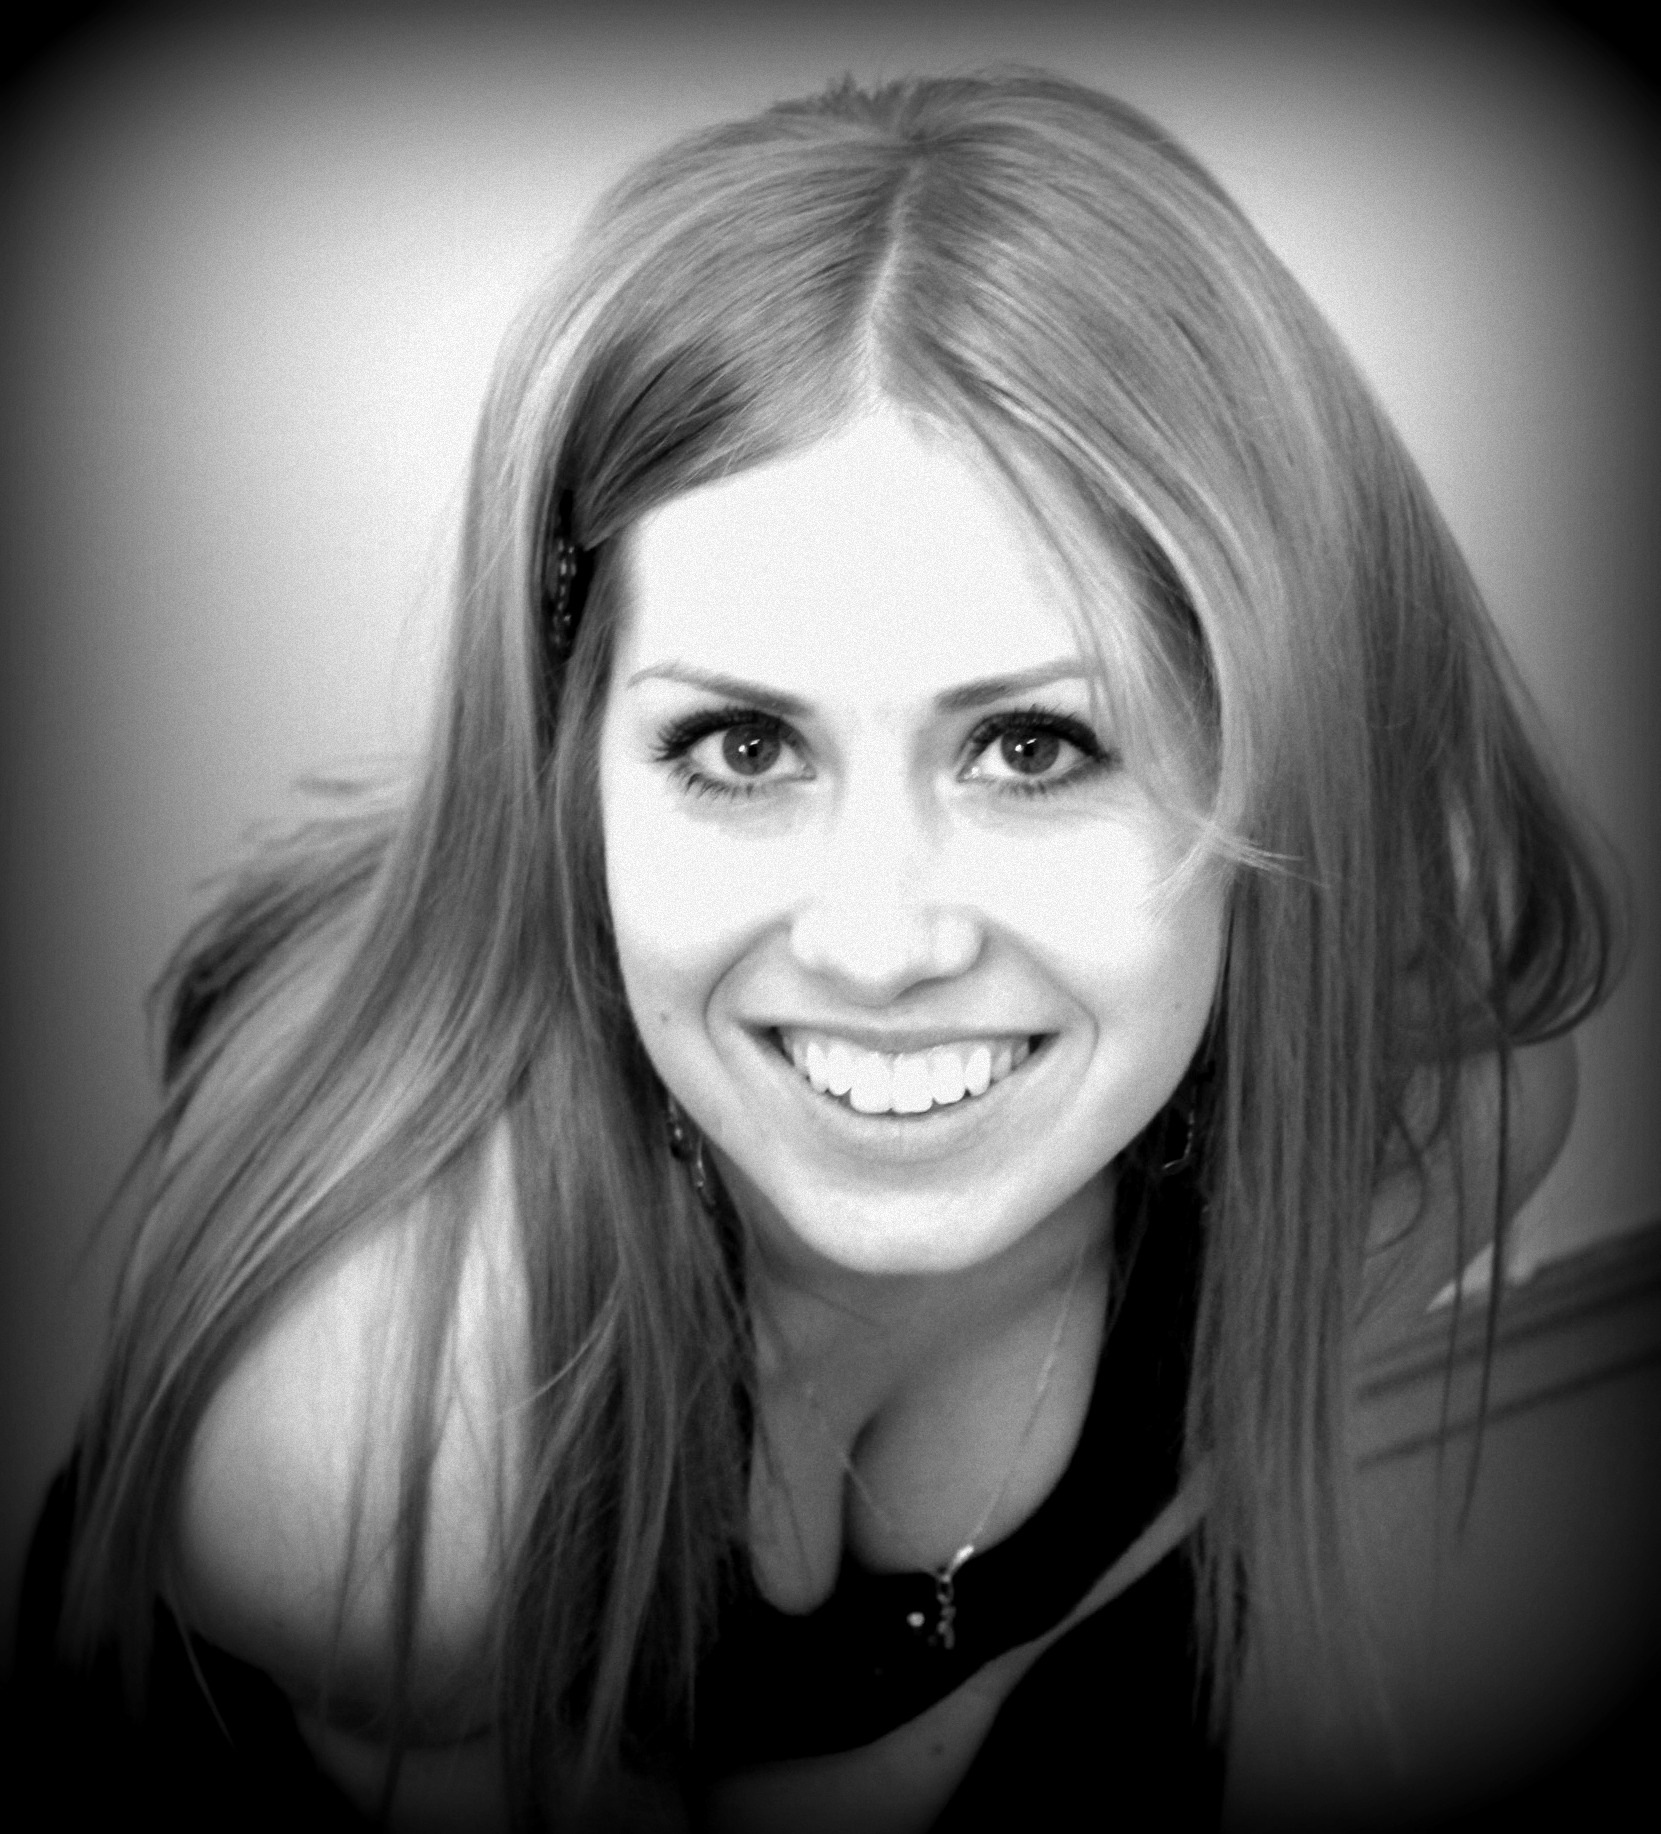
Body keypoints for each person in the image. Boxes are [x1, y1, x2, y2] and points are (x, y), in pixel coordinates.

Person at [23, 67, 1616, 1831]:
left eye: (1033, 746)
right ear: (570, 769)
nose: (876, 943)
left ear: (1283, 748)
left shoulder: (1416, 1133)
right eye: (742, 744)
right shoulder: (389, 1457)